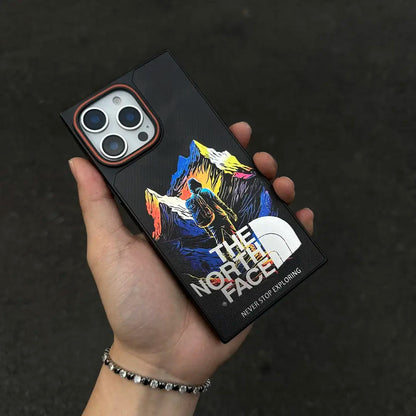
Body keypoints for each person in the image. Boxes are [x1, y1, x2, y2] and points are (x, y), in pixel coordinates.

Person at [68, 122, 314, 415]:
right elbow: (219, 208)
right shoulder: (204, 194)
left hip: (212, 227)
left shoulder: (193, 200)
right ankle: (246, 255)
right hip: (221, 222)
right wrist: (228, 215)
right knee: (236, 239)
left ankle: (240, 258)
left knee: (227, 244)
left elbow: (201, 217)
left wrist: (148, 363)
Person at [185, 178, 237, 245]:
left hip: (211, 222)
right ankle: (243, 247)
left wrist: (207, 230)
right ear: (197, 184)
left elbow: (198, 216)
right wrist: (230, 212)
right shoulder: (205, 191)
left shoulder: (192, 200)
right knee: (234, 234)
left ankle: (225, 252)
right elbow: (219, 202)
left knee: (220, 243)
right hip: (220, 216)